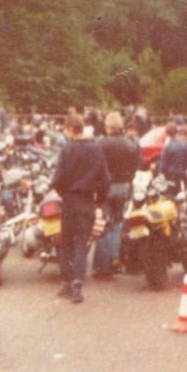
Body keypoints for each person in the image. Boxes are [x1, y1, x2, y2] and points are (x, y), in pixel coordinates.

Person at [51, 114, 111, 303]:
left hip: (69, 201)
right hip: (87, 202)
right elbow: (105, 179)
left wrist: (62, 193)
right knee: (81, 245)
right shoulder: (96, 149)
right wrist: (99, 201)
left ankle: (66, 282)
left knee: (65, 243)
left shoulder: (66, 149)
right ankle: (78, 283)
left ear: (69, 128)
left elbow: (57, 179)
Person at [93, 112, 140, 279]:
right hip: (124, 187)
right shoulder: (131, 144)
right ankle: (114, 258)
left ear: (109, 127)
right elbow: (136, 167)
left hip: (106, 187)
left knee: (104, 224)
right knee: (118, 223)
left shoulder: (101, 144)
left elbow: (96, 168)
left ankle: (102, 267)